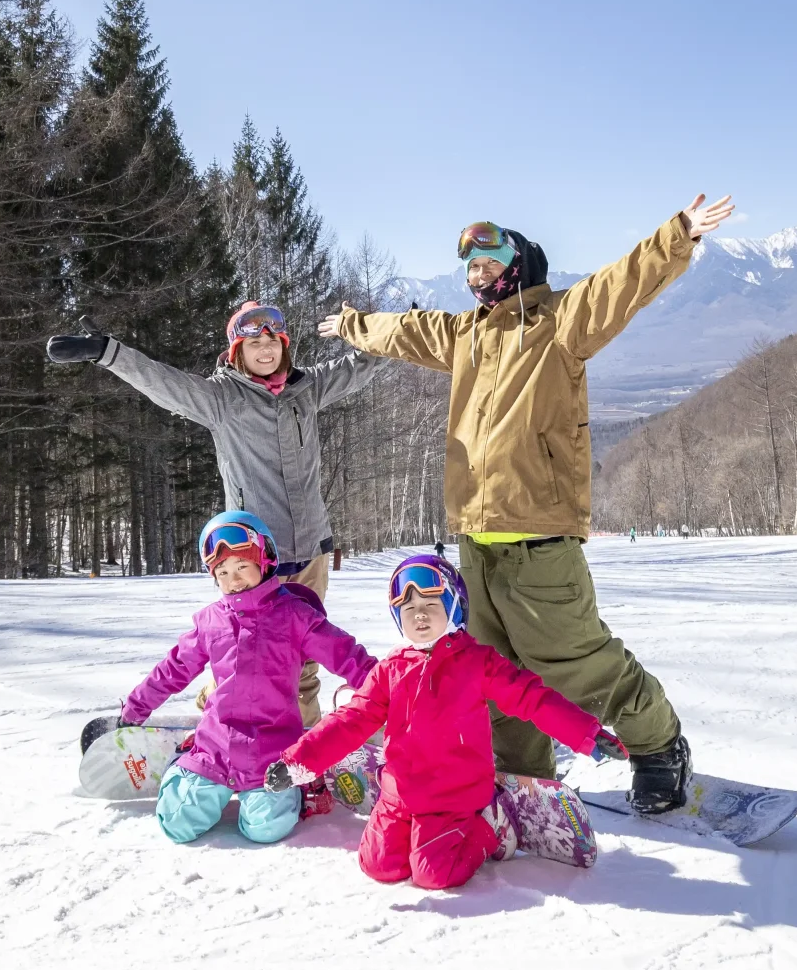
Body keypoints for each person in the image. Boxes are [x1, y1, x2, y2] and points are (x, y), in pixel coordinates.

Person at [315, 193, 736, 814]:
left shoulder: (559, 321)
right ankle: (521, 777)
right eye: (472, 268)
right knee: (494, 671)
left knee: (576, 661)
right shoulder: (464, 335)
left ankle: (658, 747)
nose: (479, 275)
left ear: (518, 264)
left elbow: (621, 284)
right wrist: (353, 324)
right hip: (475, 540)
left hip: (539, 534)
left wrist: (679, 234)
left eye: (490, 263)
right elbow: (403, 329)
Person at [48, 302, 378, 722]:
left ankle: (303, 739)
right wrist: (108, 352)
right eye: (254, 343)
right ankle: (221, 707)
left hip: (311, 548)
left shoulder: (306, 388)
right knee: (246, 651)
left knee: (306, 652)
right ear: (238, 350)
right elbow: (163, 381)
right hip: (254, 557)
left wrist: (397, 328)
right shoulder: (221, 398)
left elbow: (364, 362)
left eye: (273, 342)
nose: (265, 350)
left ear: (284, 346)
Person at [268, 554, 622, 890]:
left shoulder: (477, 662)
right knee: (378, 865)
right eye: (409, 609)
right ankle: (414, 832)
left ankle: (493, 824)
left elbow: (531, 697)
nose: (419, 615)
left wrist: (585, 733)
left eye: (430, 605)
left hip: (454, 796)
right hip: (399, 795)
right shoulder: (390, 670)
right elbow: (351, 719)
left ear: (453, 607)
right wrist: (297, 762)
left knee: (435, 874)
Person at [117, 509, 378, 845]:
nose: (234, 579)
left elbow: (346, 655)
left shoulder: (295, 615)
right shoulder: (211, 621)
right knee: (176, 823)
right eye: (222, 572)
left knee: (265, 828)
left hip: (272, 753)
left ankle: (299, 791)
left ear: (265, 561)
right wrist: (136, 708)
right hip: (215, 748)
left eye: (242, 566)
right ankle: (185, 759)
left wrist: (390, 690)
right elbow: (173, 669)